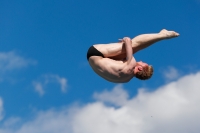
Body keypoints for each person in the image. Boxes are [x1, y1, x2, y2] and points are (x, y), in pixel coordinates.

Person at [87, 29, 179, 83]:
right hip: (92, 60)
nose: (141, 61)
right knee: (129, 50)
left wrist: (124, 41)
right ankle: (161, 35)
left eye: (142, 63)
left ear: (139, 69)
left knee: (134, 45)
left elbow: (128, 40)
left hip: (97, 52)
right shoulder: (126, 79)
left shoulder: (131, 65)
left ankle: (162, 35)